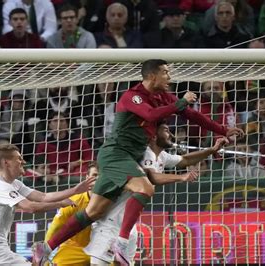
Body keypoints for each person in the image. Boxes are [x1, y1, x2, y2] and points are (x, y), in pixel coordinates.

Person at [32, 59, 244, 265]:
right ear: (152, 75)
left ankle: (47, 247)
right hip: (116, 154)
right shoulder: (131, 96)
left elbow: (192, 115)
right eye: (166, 73)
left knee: (94, 211)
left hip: (127, 158)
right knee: (145, 188)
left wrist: (223, 129)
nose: (170, 77)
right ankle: (121, 244)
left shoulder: (163, 97)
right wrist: (181, 101)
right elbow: (149, 115)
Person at [86, 122, 228, 265]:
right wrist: (181, 177)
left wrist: (212, 150)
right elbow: (151, 177)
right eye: (166, 131)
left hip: (128, 227)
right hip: (109, 223)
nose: (171, 135)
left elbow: (185, 160)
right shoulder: (144, 153)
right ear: (154, 136)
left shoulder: (161, 156)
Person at [0, 144, 95, 266]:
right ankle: (39, 258)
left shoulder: (14, 184)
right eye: (18, 158)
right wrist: (60, 204)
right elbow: (31, 207)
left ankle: (39, 258)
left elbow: (43, 197)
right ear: (6, 163)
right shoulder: (0, 186)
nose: (23, 161)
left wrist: (75, 190)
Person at [44, 161, 99, 266]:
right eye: (95, 175)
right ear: (87, 177)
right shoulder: (73, 201)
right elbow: (54, 229)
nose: (98, 179)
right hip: (74, 249)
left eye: (101, 176)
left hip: (102, 248)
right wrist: (45, 254)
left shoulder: (113, 203)